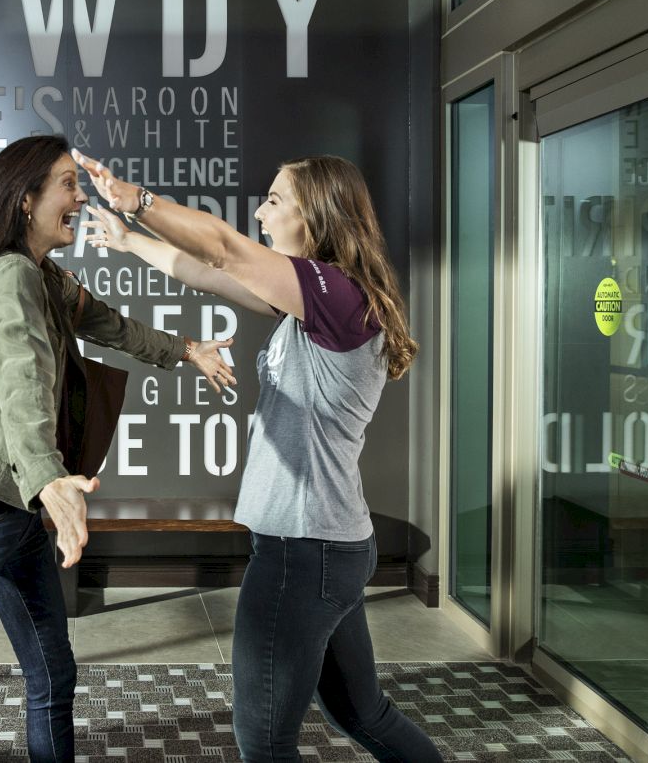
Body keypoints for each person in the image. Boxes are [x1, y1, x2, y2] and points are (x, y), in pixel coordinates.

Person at [0, 135, 234, 762]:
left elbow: (112, 326)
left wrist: (188, 349)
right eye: (68, 184)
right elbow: (22, 381)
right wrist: (49, 478)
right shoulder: (10, 277)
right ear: (25, 199)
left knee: (53, 674)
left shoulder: (44, 278)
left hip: (14, 513)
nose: (80, 198)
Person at [77, 149, 443, 763]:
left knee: (265, 740)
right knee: (363, 713)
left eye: (275, 201)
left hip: (304, 549)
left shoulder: (335, 297)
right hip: (327, 543)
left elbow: (223, 250)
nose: (260, 212)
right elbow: (208, 272)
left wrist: (137, 201)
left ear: (316, 216)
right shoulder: (318, 301)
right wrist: (129, 240)